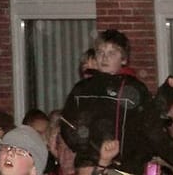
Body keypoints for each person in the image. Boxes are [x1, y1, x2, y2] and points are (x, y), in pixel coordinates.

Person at [56, 30, 158, 174]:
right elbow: (67, 124)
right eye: (100, 52)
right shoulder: (83, 88)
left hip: (125, 167)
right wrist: (90, 152)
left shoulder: (134, 88)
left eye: (111, 53)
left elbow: (149, 129)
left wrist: (131, 156)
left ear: (123, 59)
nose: (104, 58)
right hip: (89, 164)